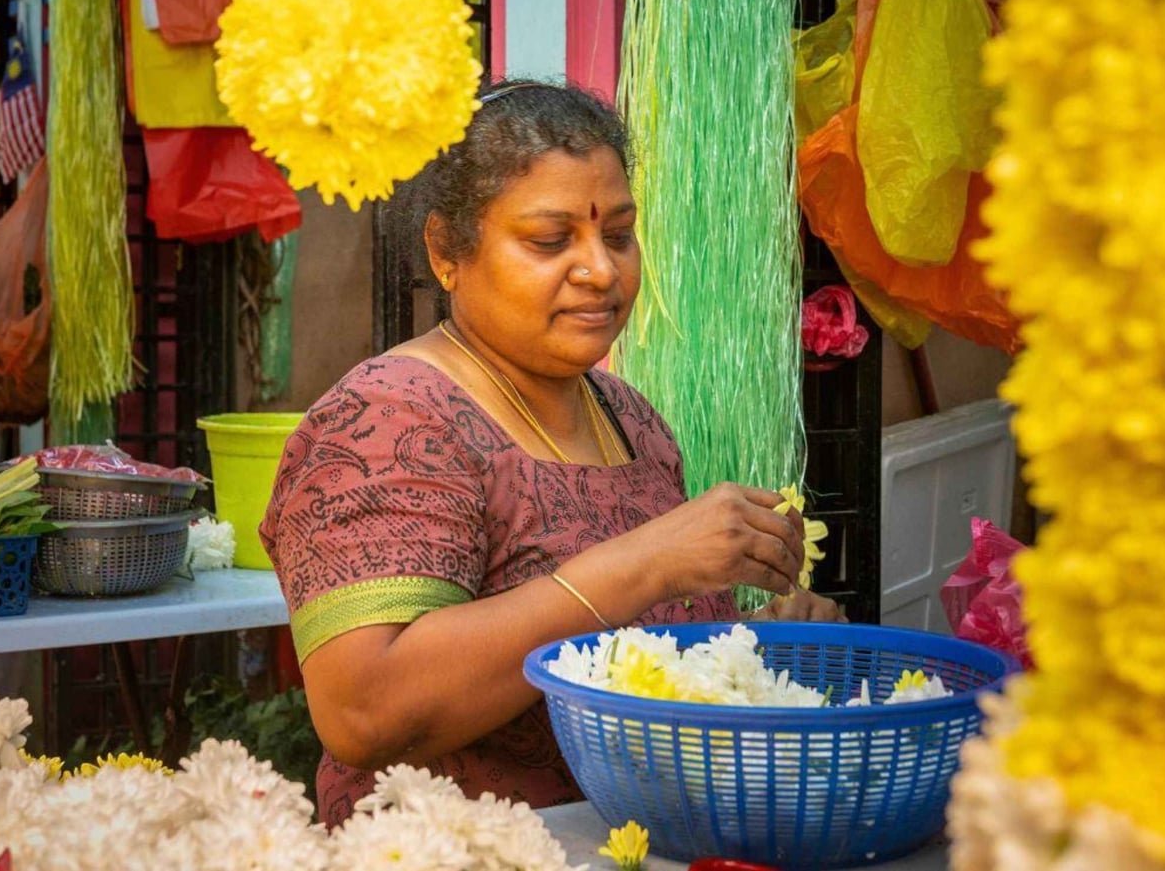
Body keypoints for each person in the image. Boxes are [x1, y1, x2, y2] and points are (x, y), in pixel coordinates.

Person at [260, 80, 843, 826]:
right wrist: (649, 560)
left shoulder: (632, 420)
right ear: (446, 251)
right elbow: (363, 709)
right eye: (549, 240)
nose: (601, 270)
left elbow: (642, 666)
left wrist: (757, 650)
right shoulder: (388, 418)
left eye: (619, 234)